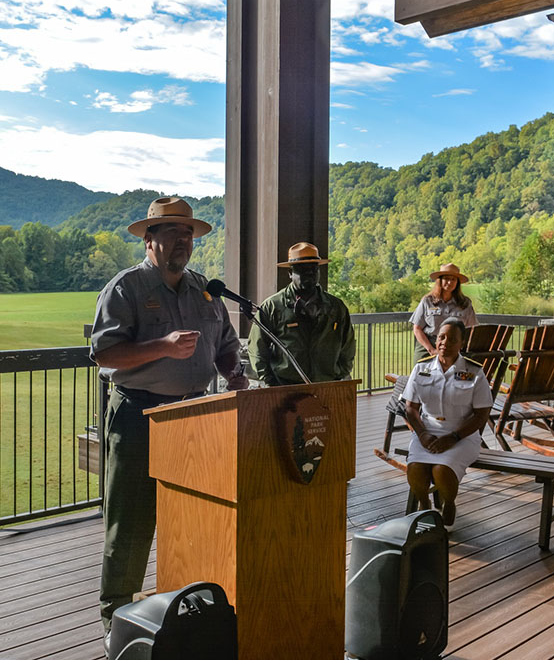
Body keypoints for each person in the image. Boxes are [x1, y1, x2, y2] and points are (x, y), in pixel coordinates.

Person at [89, 196, 249, 633]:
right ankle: (115, 623)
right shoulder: (126, 289)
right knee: (132, 525)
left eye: (189, 233)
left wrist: (234, 372)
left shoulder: (205, 290)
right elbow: (104, 352)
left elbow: (225, 346)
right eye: (173, 232)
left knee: (196, 518)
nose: (184, 240)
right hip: (140, 416)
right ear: (149, 240)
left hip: (197, 418)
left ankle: (188, 611)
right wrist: (162, 345)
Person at [401, 318, 493, 526]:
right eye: (441, 337)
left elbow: (482, 414)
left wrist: (454, 437)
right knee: (415, 467)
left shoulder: (474, 372)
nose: (444, 342)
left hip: (462, 436)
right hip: (426, 432)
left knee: (441, 470)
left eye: (452, 339)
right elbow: (411, 408)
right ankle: (425, 506)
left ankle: (448, 504)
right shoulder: (421, 368)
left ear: (462, 343)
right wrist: (422, 434)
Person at [247, 242, 356, 386]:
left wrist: (339, 373)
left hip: (327, 385)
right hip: (285, 386)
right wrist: (270, 381)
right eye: (302, 270)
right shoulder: (273, 306)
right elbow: (257, 349)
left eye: (313, 269)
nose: (309, 274)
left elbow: (348, 346)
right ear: (290, 273)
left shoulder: (336, 307)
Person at [410, 263, 478, 362]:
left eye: (453, 279)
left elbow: (472, 329)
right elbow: (417, 329)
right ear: (440, 280)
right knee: (420, 375)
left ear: (457, 283)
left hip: (454, 347)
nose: (449, 282)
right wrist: (431, 350)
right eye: (446, 278)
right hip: (428, 344)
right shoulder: (427, 301)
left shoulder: (465, 303)